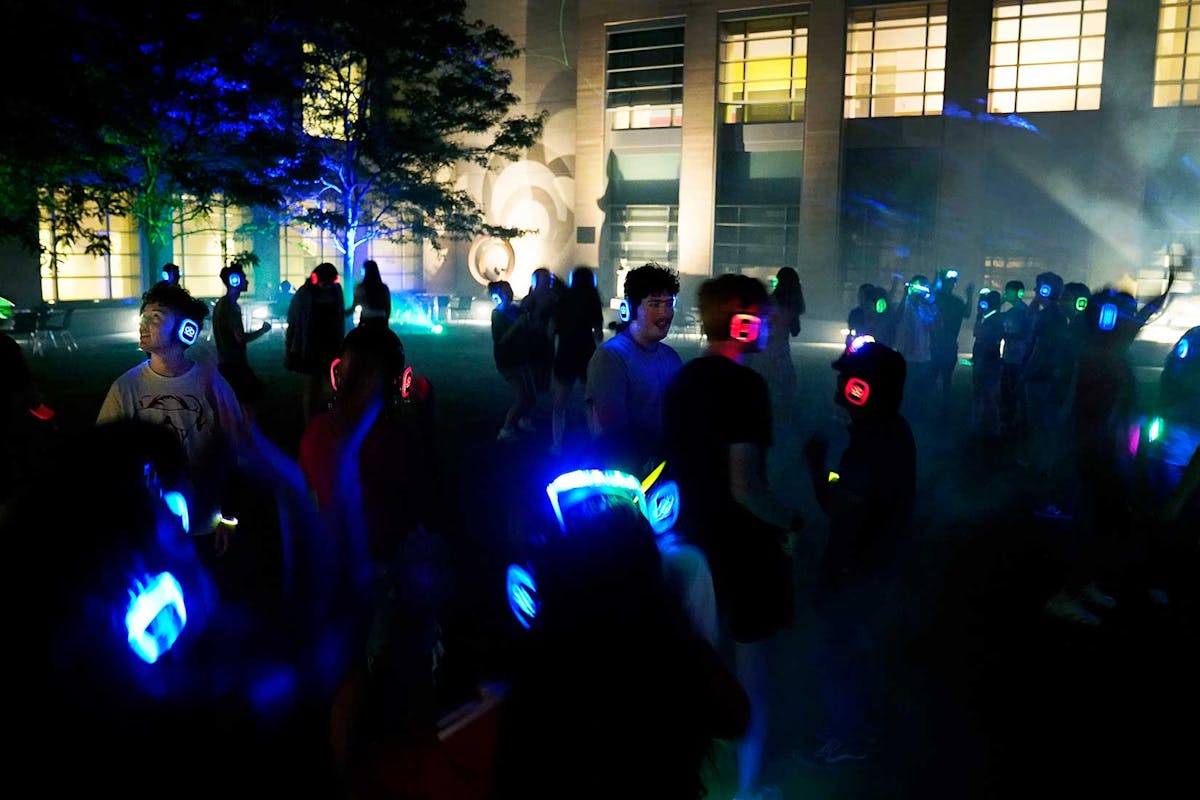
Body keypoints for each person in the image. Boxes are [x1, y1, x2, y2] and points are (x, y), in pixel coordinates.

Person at [492, 474, 751, 800]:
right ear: (647, 559)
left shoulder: (543, 662)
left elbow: (511, 773)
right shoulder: (670, 644)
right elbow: (737, 717)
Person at [664, 273, 803, 800]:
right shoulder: (746, 388)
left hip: (688, 543)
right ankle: (745, 790)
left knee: (695, 670)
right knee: (749, 679)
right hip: (740, 551)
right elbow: (745, 487)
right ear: (741, 323)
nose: (769, 324)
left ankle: (686, 778)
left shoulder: (683, 380)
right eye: (762, 316)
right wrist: (790, 520)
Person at [803, 338, 915, 766]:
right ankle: (857, 726)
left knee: (837, 648)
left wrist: (818, 470)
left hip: (857, 567)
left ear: (863, 388)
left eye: (847, 380)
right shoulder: (890, 429)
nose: (838, 388)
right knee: (857, 648)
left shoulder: (872, 441)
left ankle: (848, 737)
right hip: (879, 563)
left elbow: (841, 504)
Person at [97, 282, 244, 554]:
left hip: (204, 525)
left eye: (156, 318)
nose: (144, 325)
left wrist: (229, 517)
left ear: (185, 329)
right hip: (149, 527)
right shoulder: (125, 388)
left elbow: (234, 450)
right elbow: (104, 457)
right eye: (144, 317)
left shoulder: (213, 385)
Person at [585, 262, 683, 474]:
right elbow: (612, 427)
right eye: (654, 304)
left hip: (662, 470)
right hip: (621, 474)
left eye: (669, 304)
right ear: (630, 308)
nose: (664, 314)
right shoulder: (611, 357)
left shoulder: (671, 358)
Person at [548, 266, 604, 455]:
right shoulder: (593, 300)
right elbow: (598, 332)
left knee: (559, 402)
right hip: (587, 352)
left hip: (565, 351)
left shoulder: (563, 299)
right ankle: (597, 439)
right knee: (590, 400)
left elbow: (552, 328)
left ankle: (557, 444)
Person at [286, 262, 347, 425]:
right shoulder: (304, 294)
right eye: (324, 283)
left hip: (332, 346)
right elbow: (293, 322)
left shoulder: (336, 291)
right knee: (312, 387)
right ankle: (310, 423)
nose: (327, 287)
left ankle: (332, 420)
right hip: (312, 346)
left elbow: (339, 317)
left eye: (330, 283)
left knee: (334, 386)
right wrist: (289, 349)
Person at [212, 263, 271, 414]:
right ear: (235, 280)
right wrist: (262, 330)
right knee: (247, 403)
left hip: (226, 362)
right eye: (244, 278)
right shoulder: (230, 307)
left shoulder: (222, 304)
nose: (247, 281)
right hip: (234, 364)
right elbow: (240, 338)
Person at [490, 280, 536, 443]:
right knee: (521, 396)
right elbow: (501, 340)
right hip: (508, 360)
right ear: (498, 295)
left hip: (521, 357)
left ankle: (524, 420)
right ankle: (506, 429)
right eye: (505, 291)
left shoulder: (514, 310)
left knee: (531, 394)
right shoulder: (498, 315)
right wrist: (517, 325)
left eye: (509, 289)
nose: (509, 293)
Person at [894, 274, 939, 423]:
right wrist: (905, 296)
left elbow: (936, 326)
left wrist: (931, 304)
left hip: (923, 356)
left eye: (925, 286)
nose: (922, 289)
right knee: (905, 390)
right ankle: (902, 418)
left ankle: (918, 420)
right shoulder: (905, 303)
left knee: (921, 390)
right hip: (905, 356)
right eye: (919, 286)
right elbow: (896, 318)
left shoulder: (926, 306)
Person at [930, 268, 973, 420]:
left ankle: (937, 409)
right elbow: (967, 314)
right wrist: (969, 295)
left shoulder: (940, 298)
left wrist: (969, 295)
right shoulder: (952, 300)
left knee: (938, 378)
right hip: (942, 345)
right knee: (941, 379)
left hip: (941, 345)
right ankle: (940, 410)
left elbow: (967, 314)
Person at [353, 259, 392, 329]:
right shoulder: (383, 288)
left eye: (363, 270)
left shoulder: (360, 288)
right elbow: (388, 308)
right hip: (381, 322)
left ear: (366, 272)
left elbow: (354, 306)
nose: (361, 271)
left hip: (367, 322)